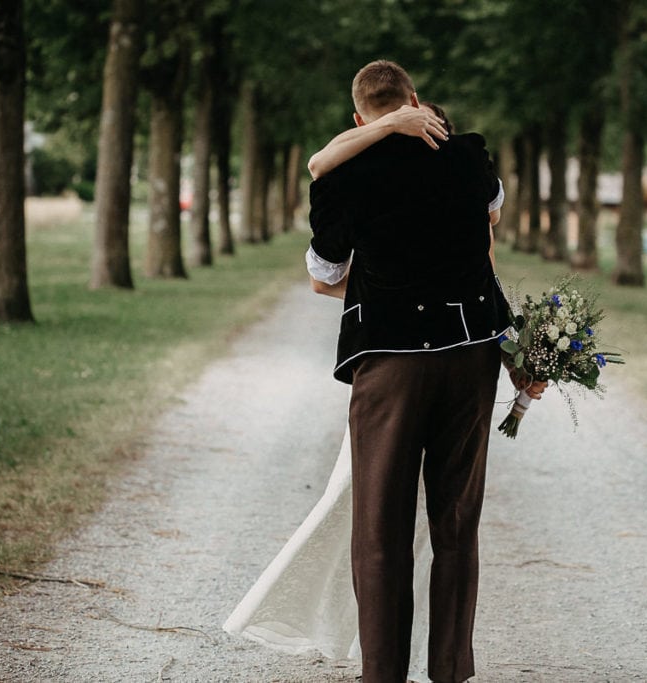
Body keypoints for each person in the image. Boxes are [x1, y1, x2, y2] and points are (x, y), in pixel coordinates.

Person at [227, 61, 545, 682]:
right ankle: (450, 670)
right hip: (469, 357)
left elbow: (323, 278)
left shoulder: (345, 174)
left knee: (381, 531)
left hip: (390, 364)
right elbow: (488, 226)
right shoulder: (468, 155)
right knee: (455, 521)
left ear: (357, 120)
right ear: (416, 102)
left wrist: (375, 279)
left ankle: (384, 676)